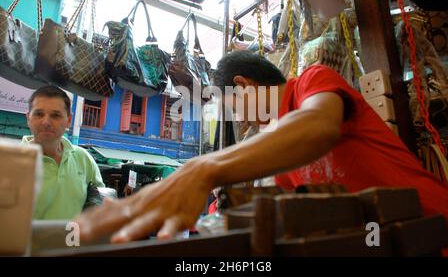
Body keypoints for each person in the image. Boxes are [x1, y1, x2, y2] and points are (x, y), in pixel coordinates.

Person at [76, 50, 448, 244]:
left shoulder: (313, 82)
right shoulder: (280, 161)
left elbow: (317, 126)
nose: (241, 120)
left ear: (245, 86)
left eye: (232, 105)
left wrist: (203, 169)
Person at [22, 86, 104, 220]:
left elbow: (100, 197)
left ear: (69, 120)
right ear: (28, 118)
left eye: (55, 115)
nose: (46, 122)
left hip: (73, 241)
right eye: (39, 114)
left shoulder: (83, 159)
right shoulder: (10, 161)